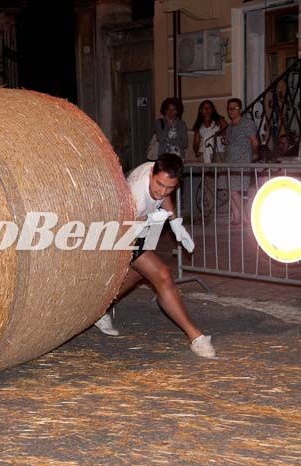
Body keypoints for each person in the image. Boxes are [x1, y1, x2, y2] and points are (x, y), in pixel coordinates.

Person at [94, 154, 215, 358]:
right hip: (118, 229)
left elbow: (162, 196)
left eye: (170, 187)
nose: (163, 191)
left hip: (137, 226)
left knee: (138, 273)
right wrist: (149, 218)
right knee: (162, 275)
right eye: (159, 184)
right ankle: (196, 337)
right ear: (151, 174)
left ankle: (99, 309)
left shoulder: (159, 172)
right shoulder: (136, 195)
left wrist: (175, 222)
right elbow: (122, 230)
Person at [223, 98, 259, 226]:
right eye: (230, 108)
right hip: (230, 162)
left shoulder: (247, 123)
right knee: (230, 190)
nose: (232, 111)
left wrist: (253, 156)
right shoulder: (230, 127)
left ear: (240, 109)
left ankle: (245, 218)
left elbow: (254, 142)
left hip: (242, 161)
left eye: (235, 108)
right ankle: (236, 218)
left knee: (234, 190)